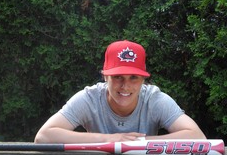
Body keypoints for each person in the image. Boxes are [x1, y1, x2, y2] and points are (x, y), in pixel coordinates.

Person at [34, 40, 206, 144]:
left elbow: (198, 137)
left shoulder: (154, 99)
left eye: (133, 77)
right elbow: (43, 136)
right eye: (117, 77)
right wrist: (109, 139)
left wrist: (138, 143)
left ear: (143, 80)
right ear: (105, 77)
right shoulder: (89, 98)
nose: (125, 86)